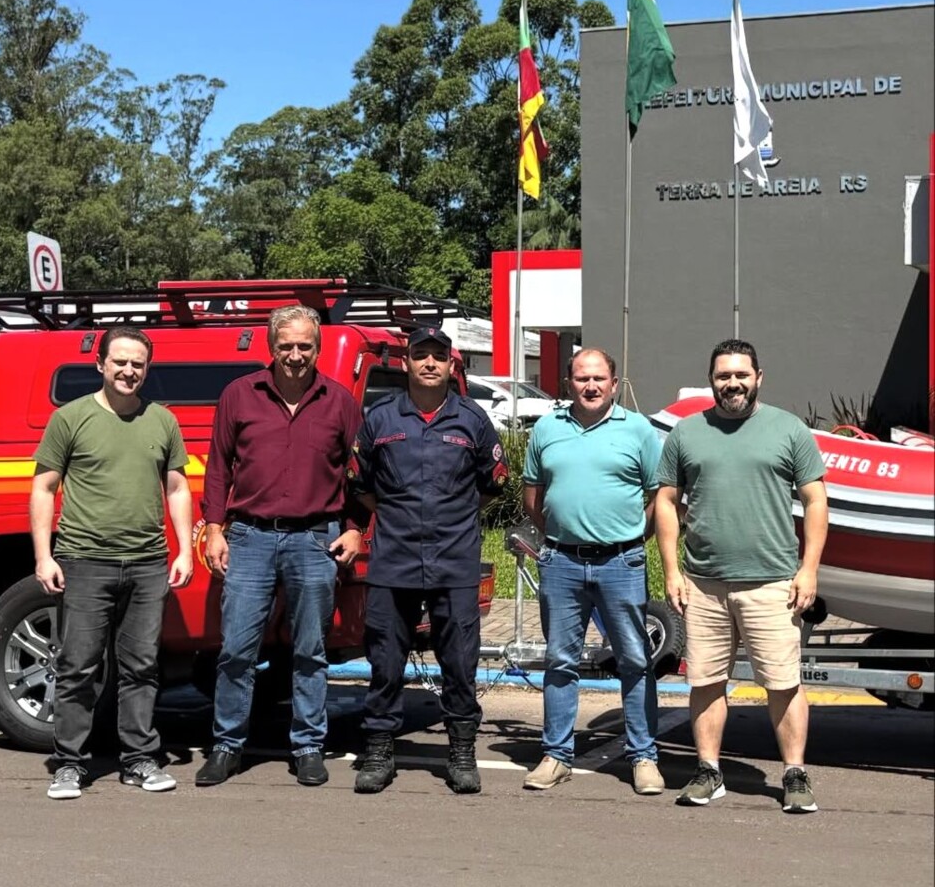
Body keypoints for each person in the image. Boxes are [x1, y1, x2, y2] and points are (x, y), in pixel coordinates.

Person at [655, 339, 828, 814]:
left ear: (758, 377)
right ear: (711, 380)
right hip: (703, 584)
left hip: (772, 582)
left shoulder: (788, 430)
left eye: (741, 375)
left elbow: (816, 501)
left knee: (783, 682)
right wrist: (671, 570)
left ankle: (794, 774)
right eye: (723, 376)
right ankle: (709, 772)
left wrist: (808, 569)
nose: (732, 383)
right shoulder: (687, 434)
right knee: (706, 682)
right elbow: (666, 503)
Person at [197, 305, 365, 788]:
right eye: (286, 346)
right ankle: (227, 746)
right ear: (272, 347)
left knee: (310, 650)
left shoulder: (338, 402)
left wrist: (355, 528)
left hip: (316, 538)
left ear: (316, 347)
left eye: (305, 346)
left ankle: (309, 745)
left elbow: (361, 476)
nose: (295, 355)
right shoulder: (239, 395)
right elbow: (218, 466)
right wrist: (213, 527)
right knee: (235, 650)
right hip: (249, 536)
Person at [31, 325, 194, 800]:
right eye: (119, 361)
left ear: (147, 369)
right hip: (84, 561)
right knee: (78, 666)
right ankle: (68, 764)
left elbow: (178, 488)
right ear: (100, 364)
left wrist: (184, 548)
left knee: (141, 667)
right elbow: (43, 487)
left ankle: (139, 760)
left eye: (137, 364)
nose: (128, 370)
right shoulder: (71, 418)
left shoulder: (162, 420)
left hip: (147, 564)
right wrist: (44, 556)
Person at [348, 325, 508, 795]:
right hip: (393, 560)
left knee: (459, 660)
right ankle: (379, 752)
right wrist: (396, 517)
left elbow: (493, 483)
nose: (430, 363)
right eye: (421, 355)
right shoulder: (379, 418)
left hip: (455, 560)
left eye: (439, 356)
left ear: (451, 364)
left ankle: (461, 750)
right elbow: (360, 483)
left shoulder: (472, 419)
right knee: (385, 659)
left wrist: (454, 516)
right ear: (406, 363)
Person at [521, 348, 665, 795]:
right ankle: (556, 755)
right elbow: (532, 496)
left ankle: (644, 758)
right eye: (582, 378)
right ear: (569, 383)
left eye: (599, 378)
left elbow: (659, 494)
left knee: (635, 661)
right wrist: (561, 536)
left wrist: (630, 537)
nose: (591, 386)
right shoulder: (547, 429)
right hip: (561, 562)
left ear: (614, 383)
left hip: (622, 563)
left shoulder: (638, 430)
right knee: (561, 661)